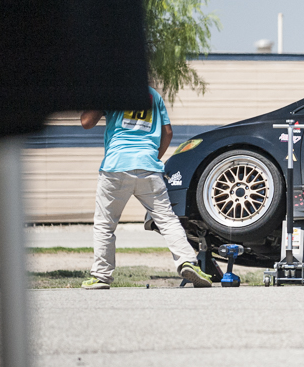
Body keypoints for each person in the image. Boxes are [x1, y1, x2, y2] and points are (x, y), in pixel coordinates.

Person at [79, 87, 212, 289]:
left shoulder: (111, 91)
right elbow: (168, 133)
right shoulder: (153, 95)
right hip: (148, 166)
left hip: (116, 165)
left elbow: (86, 122)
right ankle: (187, 262)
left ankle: (101, 276)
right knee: (167, 220)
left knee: (105, 224)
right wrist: (152, 159)